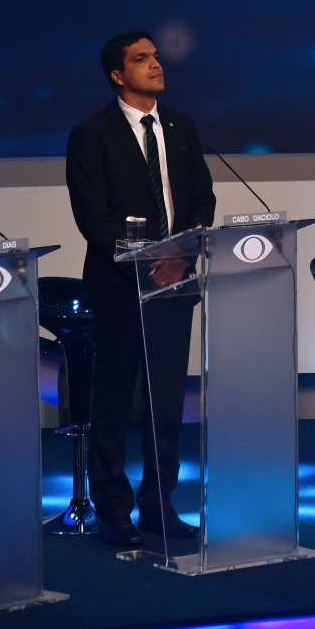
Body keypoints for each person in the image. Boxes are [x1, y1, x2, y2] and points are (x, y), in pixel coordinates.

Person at [66, 31, 216, 547]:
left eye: (155, 56)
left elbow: (203, 198)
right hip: (119, 288)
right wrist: (153, 258)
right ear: (117, 74)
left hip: (174, 286)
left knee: (167, 402)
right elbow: (93, 219)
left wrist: (181, 256)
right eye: (141, 59)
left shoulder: (181, 127)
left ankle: (159, 506)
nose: (156, 65)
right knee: (113, 401)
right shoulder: (92, 134)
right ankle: (113, 510)